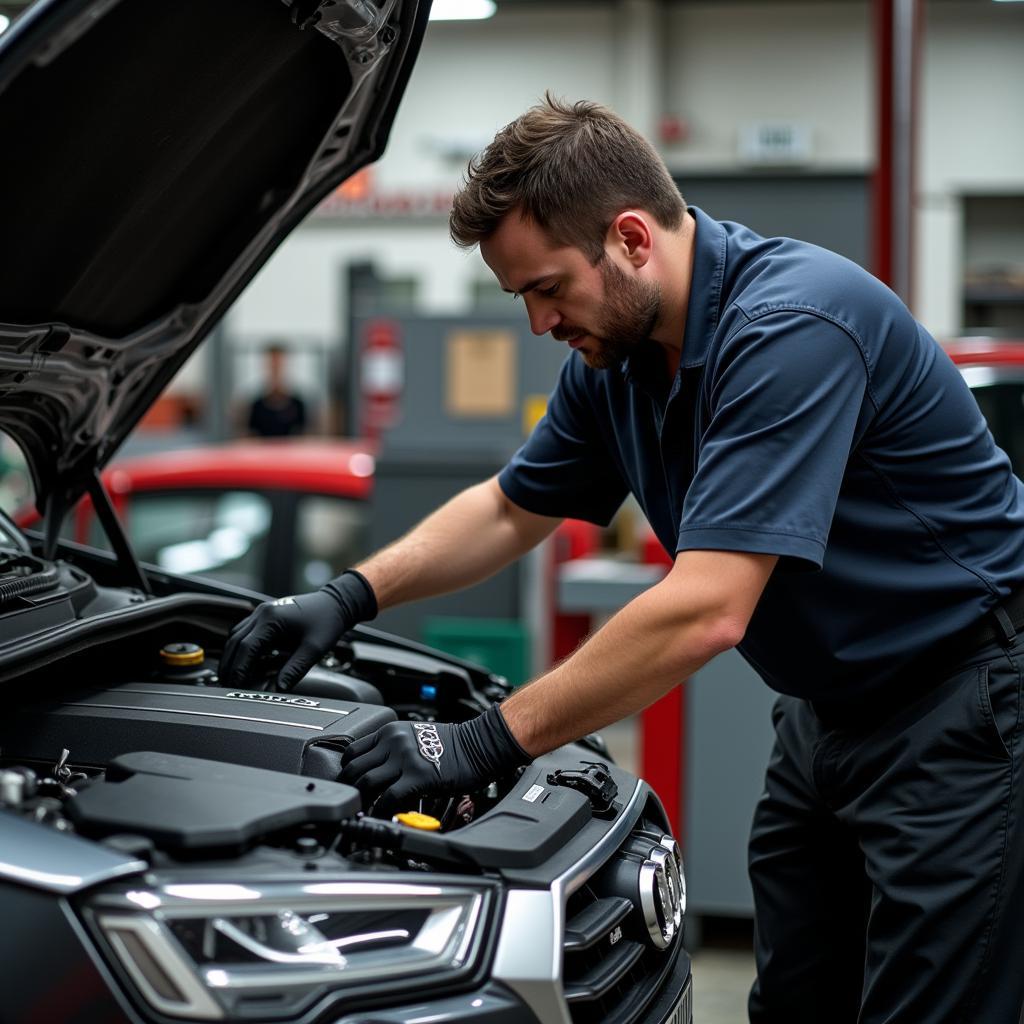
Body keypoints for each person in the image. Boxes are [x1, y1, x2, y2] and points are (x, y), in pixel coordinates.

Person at [219, 95, 1024, 1023]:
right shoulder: (619, 363)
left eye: (548, 288)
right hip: (828, 716)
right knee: (798, 1002)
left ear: (633, 239)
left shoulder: (793, 327)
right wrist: (348, 595)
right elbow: (509, 508)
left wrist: (477, 743)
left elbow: (706, 608)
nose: (538, 324)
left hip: (963, 708)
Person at [246, 342, 307, 437]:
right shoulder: (256, 406)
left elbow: (304, 438)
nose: (276, 369)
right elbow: (250, 438)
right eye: (272, 365)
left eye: (279, 364)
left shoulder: (298, 405)